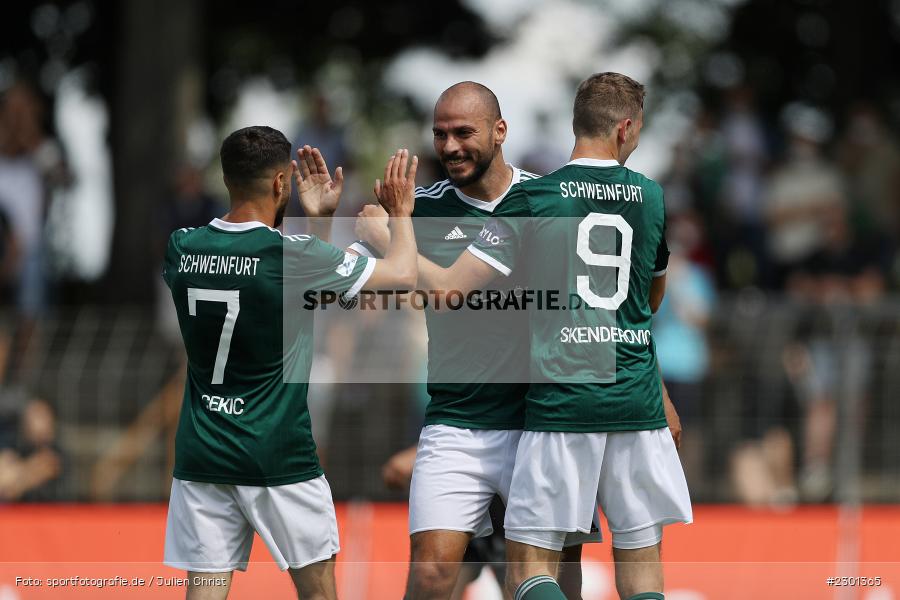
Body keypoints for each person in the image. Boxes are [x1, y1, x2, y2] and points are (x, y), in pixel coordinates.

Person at [402, 73, 692, 600]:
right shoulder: (650, 197)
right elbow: (647, 303)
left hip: (560, 402)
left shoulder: (534, 198)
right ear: (626, 129)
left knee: (530, 568)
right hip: (634, 402)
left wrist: (390, 235)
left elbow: (449, 287)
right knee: (642, 564)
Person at [353, 82, 597, 600]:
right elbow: (368, 222)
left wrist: (391, 238)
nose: (449, 146)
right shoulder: (422, 210)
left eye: (464, 132)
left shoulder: (545, 202)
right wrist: (388, 224)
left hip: (540, 424)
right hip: (456, 423)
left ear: (500, 131)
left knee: (548, 582)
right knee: (429, 575)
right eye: (439, 134)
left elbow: (604, 310)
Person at [161, 125, 419, 599]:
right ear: (282, 184)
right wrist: (401, 215)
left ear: (226, 179)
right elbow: (402, 274)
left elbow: (280, 286)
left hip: (203, 452)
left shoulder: (182, 246)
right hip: (277, 453)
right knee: (318, 593)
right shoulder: (291, 255)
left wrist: (317, 223)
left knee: (204, 593)